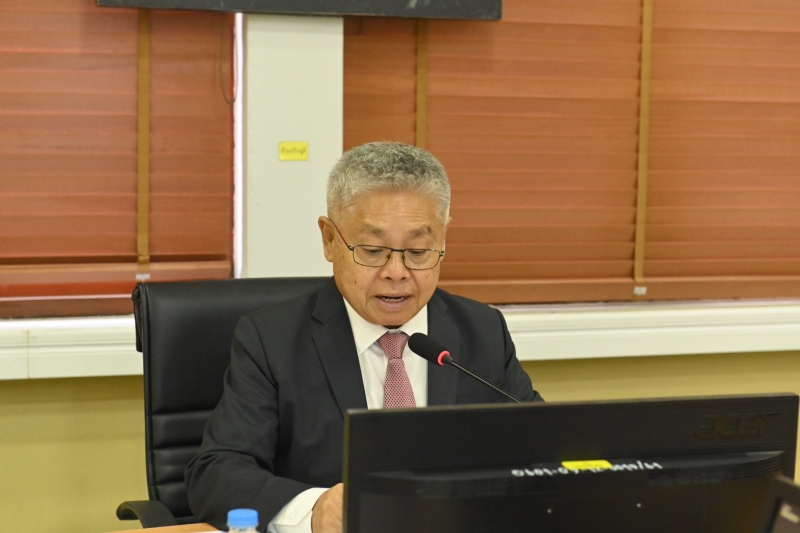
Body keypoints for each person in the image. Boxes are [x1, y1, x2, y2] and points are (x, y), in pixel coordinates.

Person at [185, 142, 543, 533]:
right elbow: (217, 473)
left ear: (443, 239)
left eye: (418, 251)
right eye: (373, 251)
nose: (396, 272)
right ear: (329, 240)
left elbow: (543, 449)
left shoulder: (482, 331)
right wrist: (315, 509)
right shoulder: (272, 340)